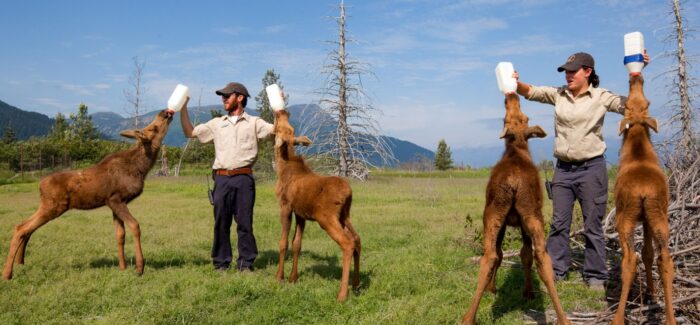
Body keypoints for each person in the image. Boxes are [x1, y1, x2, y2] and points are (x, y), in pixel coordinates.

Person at [513, 51, 649, 289]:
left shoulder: (601, 96)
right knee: (558, 223)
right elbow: (531, 91)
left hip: (592, 169)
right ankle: (556, 270)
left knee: (593, 226)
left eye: (573, 71)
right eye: (566, 71)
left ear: (587, 72)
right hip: (563, 171)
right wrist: (514, 83)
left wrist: (636, 73)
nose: (568, 76)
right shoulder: (559, 94)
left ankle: (595, 275)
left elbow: (630, 106)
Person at [180, 82, 274, 272]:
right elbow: (190, 132)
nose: (223, 99)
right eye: (222, 96)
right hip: (221, 179)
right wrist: (182, 106)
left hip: (244, 179)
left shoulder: (255, 123)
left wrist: (278, 108)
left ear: (239, 98)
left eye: (227, 96)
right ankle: (221, 263)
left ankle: (246, 264)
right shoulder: (216, 123)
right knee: (221, 223)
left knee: (245, 223)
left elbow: (276, 131)